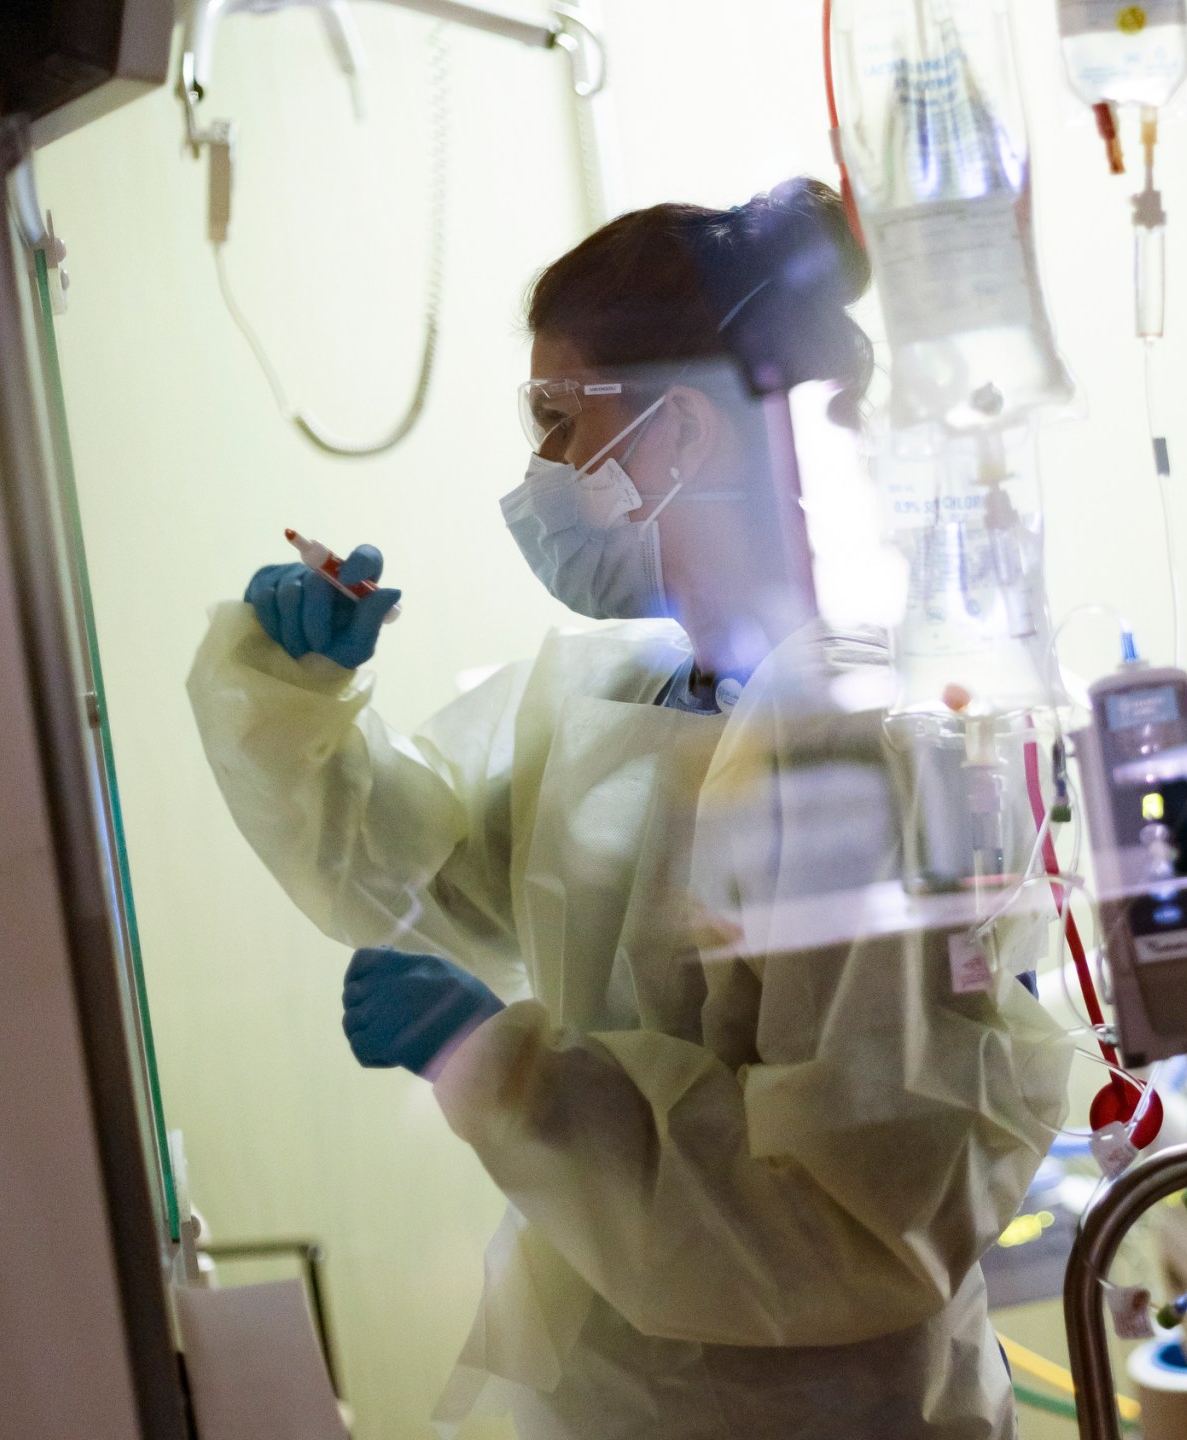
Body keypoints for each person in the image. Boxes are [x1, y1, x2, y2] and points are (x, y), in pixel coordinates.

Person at [187, 178, 1070, 1438]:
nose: (541, 471)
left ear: (681, 437)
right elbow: (413, 878)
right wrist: (297, 695)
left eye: (560, 420)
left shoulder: (868, 754)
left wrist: (514, 1074)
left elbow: (855, 1224)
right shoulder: (629, 700)